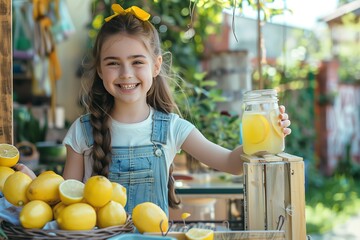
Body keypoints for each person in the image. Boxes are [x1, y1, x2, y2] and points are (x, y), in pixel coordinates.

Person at [16, 4, 291, 216]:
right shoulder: (82, 131)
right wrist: (34, 188)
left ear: (156, 66)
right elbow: (66, 199)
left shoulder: (173, 127)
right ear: (100, 70)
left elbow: (231, 164)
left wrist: (267, 135)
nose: (126, 74)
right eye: (113, 63)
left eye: (137, 62)